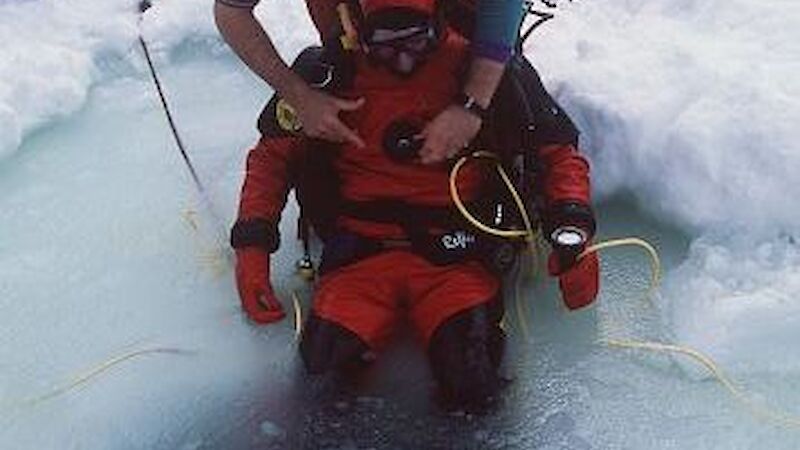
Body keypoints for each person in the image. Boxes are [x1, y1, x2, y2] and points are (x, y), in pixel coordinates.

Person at [223, 0, 599, 410]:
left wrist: (573, 231)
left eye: (416, 42)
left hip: (456, 259)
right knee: (320, 389)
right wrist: (252, 245)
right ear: (356, 26)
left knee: (472, 388)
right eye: (386, 46)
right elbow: (272, 157)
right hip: (358, 259)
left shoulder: (485, 71)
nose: (402, 61)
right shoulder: (327, 72)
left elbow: (557, 150)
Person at [214, 0, 525, 165]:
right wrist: (299, 96)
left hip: (461, 38)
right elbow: (231, 11)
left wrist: (473, 103)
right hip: (354, 44)